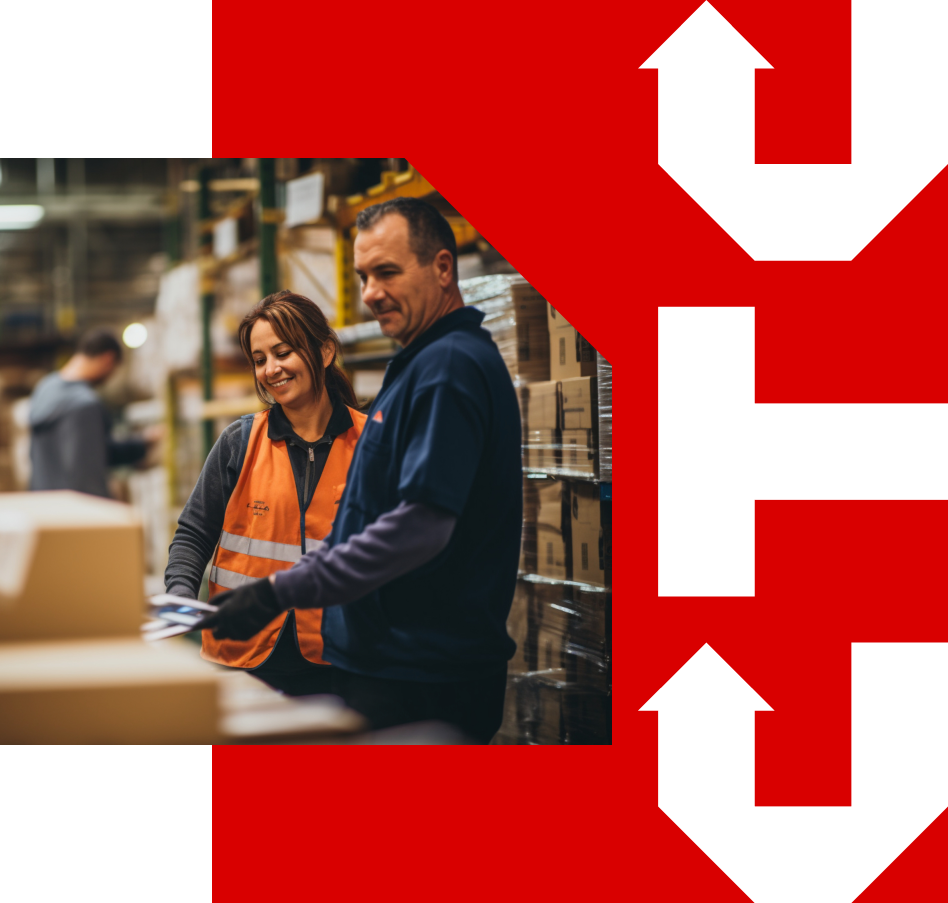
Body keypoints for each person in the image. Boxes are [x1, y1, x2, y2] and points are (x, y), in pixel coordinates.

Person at [199, 198, 523, 742]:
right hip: (387, 665)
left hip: (421, 672)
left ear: (443, 268)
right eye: (363, 276)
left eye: (388, 272)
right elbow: (366, 521)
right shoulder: (420, 366)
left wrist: (277, 592)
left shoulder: (447, 369)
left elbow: (417, 527)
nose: (371, 292)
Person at [164, 291, 366, 696]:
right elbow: (193, 534)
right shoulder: (240, 441)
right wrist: (180, 596)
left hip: (339, 659)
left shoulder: (370, 442)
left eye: (283, 352)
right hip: (244, 657)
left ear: (325, 352)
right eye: (259, 360)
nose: (271, 369)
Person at [29, 328, 150, 497]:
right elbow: (87, 474)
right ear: (108, 359)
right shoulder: (84, 405)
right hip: (76, 514)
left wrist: (141, 443)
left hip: (45, 505)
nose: (110, 377)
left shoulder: (44, 388)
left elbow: (98, 450)